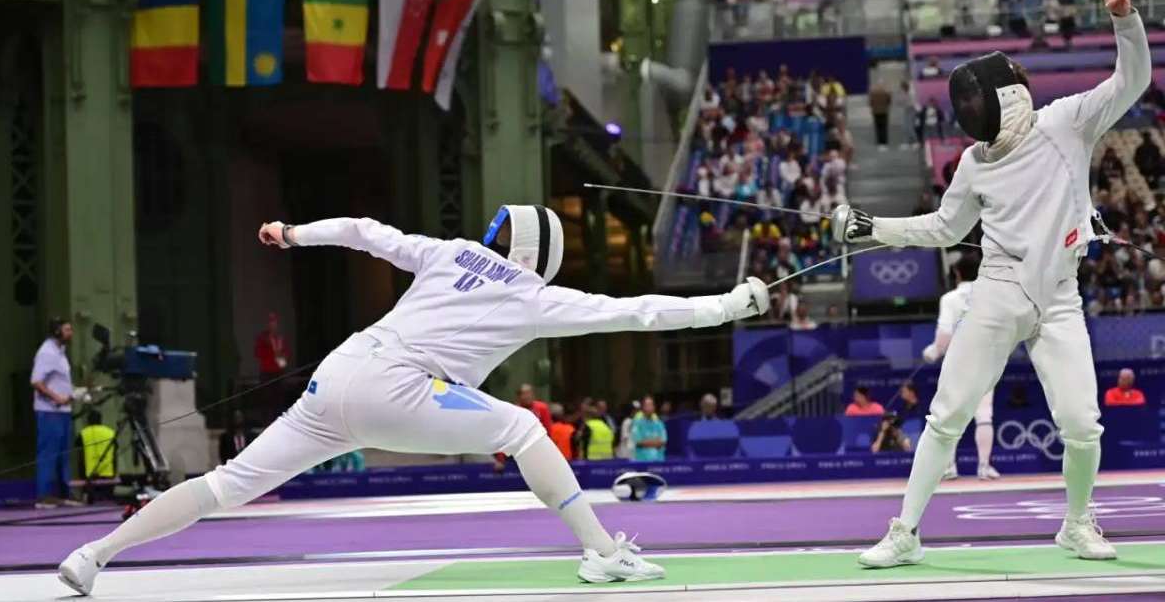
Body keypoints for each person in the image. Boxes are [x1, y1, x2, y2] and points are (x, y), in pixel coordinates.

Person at [59, 205, 771, 593]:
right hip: (399, 388)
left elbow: (362, 231)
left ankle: (94, 555)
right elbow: (637, 312)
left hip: (337, 375)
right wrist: (729, 304)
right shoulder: (533, 296)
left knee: (224, 485)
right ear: (539, 258)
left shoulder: (448, 251)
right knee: (525, 429)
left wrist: (294, 234)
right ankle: (601, 552)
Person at [835, 0, 1143, 566]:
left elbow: (1132, 79)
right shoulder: (975, 163)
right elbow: (944, 228)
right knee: (947, 414)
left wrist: (1125, 20)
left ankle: (1076, 524)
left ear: (1007, 98)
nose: (969, 114)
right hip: (999, 291)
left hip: (1059, 296)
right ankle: (905, 532)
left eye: (976, 103)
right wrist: (876, 229)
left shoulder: (1066, 123)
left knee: (1082, 423)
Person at [920, 254, 1001, 481]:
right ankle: (984, 466)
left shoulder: (950, 299)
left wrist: (934, 351)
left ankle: (949, 467)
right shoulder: (992, 297)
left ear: (957, 274)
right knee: (984, 414)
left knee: (950, 415)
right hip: (986, 361)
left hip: (958, 363)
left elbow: (944, 335)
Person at [32, 318, 77, 509]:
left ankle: (63, 494)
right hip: (49, 411)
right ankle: (43, 495)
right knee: (49, 453)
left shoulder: (60, 352)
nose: (71, 333)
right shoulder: (47, 352)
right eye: (67, 329)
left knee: (63, 454)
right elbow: (36, 381)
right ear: (57, 331)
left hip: (63, 411)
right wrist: (57, 398)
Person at [253, 312, 291, 382]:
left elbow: (285, 357)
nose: (273, 324)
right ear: (267, 324)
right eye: (271, 322)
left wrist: (282, 360)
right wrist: (270, 350)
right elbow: (257, 353)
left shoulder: (280, 338)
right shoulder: (262, 338)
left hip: (279, 372)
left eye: (275, 322)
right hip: (266, 373)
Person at [631, 396, 668, 462]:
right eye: (647, 405)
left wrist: (646, 441)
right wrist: (656, 442)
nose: (649, 407)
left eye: (651, 405)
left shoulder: (659, 424)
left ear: (654, 407)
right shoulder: (637, 423)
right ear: (642, 408)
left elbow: (663, 441)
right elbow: (638, 442)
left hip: (659, 461)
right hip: (642, 462)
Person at [869, 81, 892, 151]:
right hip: (884, 111)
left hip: (876, 112)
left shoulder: (873, 93)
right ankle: (884, 143)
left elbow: (870, 102)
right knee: (884, 127)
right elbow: (889, 101)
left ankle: (879, 142)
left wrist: (873, 107)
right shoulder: (886, 92)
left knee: (878, 127)